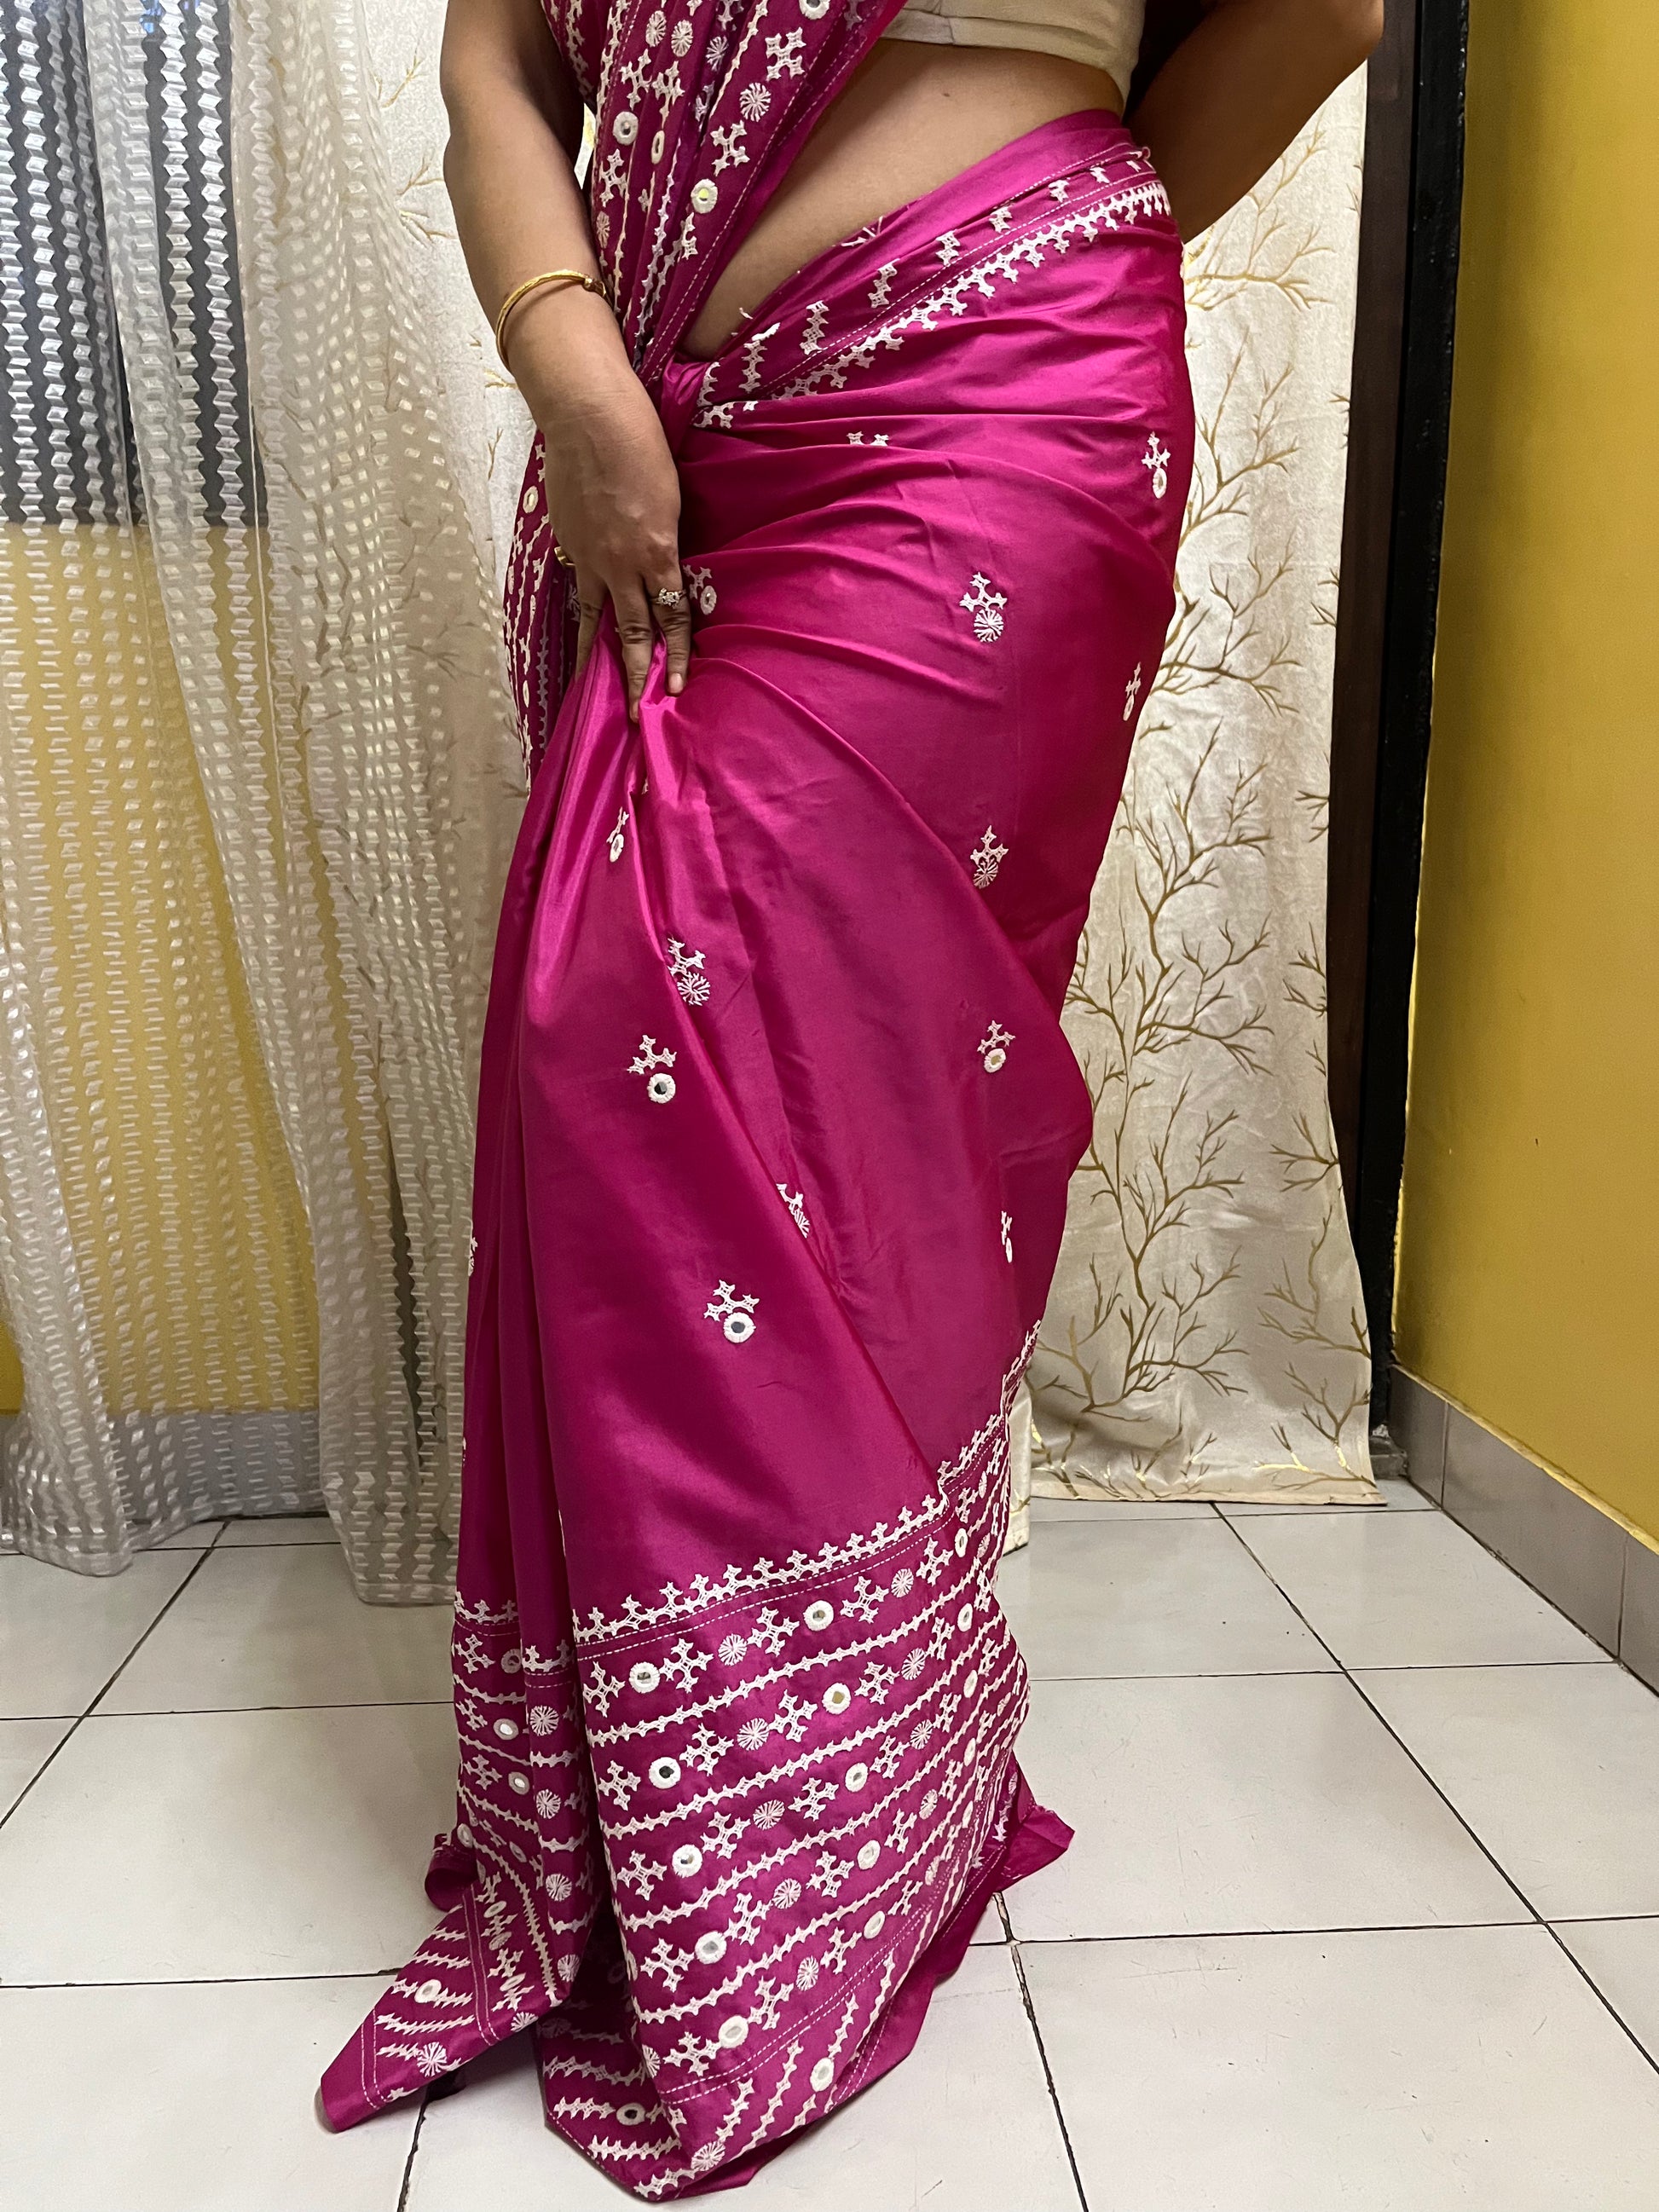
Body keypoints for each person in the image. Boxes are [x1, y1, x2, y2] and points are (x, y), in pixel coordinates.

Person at [321, 0, 1381, 2192]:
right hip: (680, 424)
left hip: (996, 409)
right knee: (610, 1045)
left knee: (838, 1086)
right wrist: (573, 366)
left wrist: (1016, 253)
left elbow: (1324, 9)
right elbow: (493, 69)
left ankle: (795, 1842)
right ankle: (777, 1779)